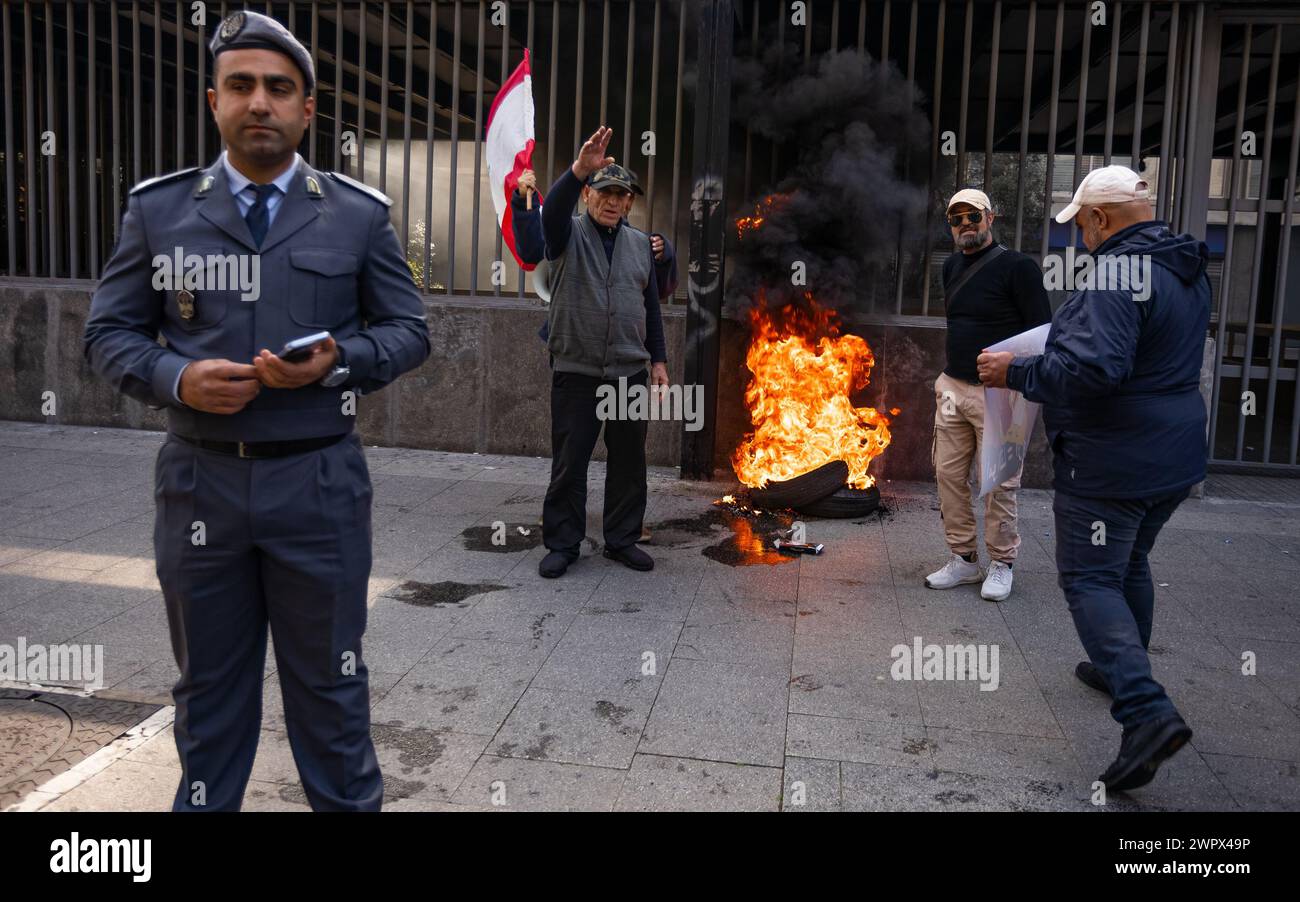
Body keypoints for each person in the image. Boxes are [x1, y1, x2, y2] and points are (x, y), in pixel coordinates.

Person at [82, 10, 431, 811]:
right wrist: (176, 377)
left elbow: (410, 333)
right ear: (214, 101)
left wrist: (340, 359)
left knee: (332, 695)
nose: (260, 102)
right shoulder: (160, 212)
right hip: (199, 485)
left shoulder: (356, 214)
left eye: (279, 88)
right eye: (241, 85)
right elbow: (108, 334)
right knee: (207, 696)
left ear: (309, 109)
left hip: (318, 483)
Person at [977, 164, 1209, 792]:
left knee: (1090, 578)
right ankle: (1119, 667)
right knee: (1130, 564)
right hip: (1174, 456)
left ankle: (1145, 711)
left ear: (1100, 219)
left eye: (1081, 224)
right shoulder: (1184, 266)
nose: (1080, 236)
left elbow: (1094, 370)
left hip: (1114, 460)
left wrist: (1017, 373)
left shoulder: (1114, 274)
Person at [535, 127, 668, 578]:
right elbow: (549, 212)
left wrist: (659, 361)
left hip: (629, 370)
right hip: (578, 369)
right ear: (588, 196)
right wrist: (577, 170)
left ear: (629, 202)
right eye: (604, 192)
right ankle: (563, 543)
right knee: (571, 460)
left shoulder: (640, 246)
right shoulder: (566, 234)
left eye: (622, 195)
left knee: (630, 460)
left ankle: (622, 539)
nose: (613, 201)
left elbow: (650, 307)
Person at [925, 188, 1051, 601]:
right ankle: (963, 559)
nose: (965, 224)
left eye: (972, 216)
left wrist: (1013, 374)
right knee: (947, 474)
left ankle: (1002, 563)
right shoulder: (949, 268)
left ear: (990, 218)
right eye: (956, 218)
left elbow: (1041, 334)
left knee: (999, 483)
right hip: (952, 387)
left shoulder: (1019, 269)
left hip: (1004, 395)